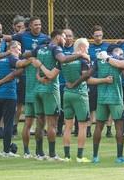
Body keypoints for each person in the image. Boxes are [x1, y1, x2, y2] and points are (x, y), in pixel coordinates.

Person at [31, 30, 86, 161]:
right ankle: (52, 154)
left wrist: (39, 76)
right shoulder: (55, 48)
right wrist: (80, 55)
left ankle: (39, 153)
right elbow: (63, 59)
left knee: (39, 122)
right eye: (64, 37)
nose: (65, 39)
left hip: (37, 88)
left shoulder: (39, 47)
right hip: (50, 89)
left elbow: (33, 60)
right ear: (57, 37)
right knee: (52, 124)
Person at [60, 38, 110, 162]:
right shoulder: (82, 60)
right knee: (82, 126)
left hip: (67, 94)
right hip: (80, 94)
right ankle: (79, 156)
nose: (87, 51)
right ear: (82, 48)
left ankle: (66, 156)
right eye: (87, 48)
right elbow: (87, 79)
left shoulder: (65, 60)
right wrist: (104, 80)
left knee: (67, 126)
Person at [7, 17, 50, 158]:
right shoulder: (37, 59)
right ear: (29, 26)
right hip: (36, 90)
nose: (38, 26)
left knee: (31, 122)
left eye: (40, 24)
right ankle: (37, 151)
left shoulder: (28, 59)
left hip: (32, 89)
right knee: (37, 122)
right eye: (35, 24)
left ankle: (30, 152)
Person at [0, 41, 33, 157]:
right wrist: (31, 60)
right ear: (12, 49)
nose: (20, 52)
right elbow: (20, 64)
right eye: (18, 49)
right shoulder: (11, 58)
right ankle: (6, 151)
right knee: (8, 122)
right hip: (8, 94)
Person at [91, 47, 124, 164]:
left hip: (101, 98)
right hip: (116, 98)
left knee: (98, 126)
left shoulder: (98, 61)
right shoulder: (118, 60)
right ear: (117, 52)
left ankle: (95, 156)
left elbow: (89, 75)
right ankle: (119, 157)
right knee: (119, 127)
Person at [88, 25, 111, 138]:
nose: (98, 37)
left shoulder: (107, 46)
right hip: (93, 79)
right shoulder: (89, 48)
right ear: (92, 36)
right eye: (96, 35)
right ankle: (88, 129)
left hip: (105, 79)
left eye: (100, 35)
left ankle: (109, 129)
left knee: (107, 104)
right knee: (91, 106)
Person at [56, 28, 75, 137]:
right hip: (61, 82)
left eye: (70, 36)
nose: (68, 38)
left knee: (76, 107)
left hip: (73, 82)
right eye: (65, 36)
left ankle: (78, 130)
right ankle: (59, 129)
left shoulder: (76, 48)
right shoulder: (58, 49)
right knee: (61, 108)